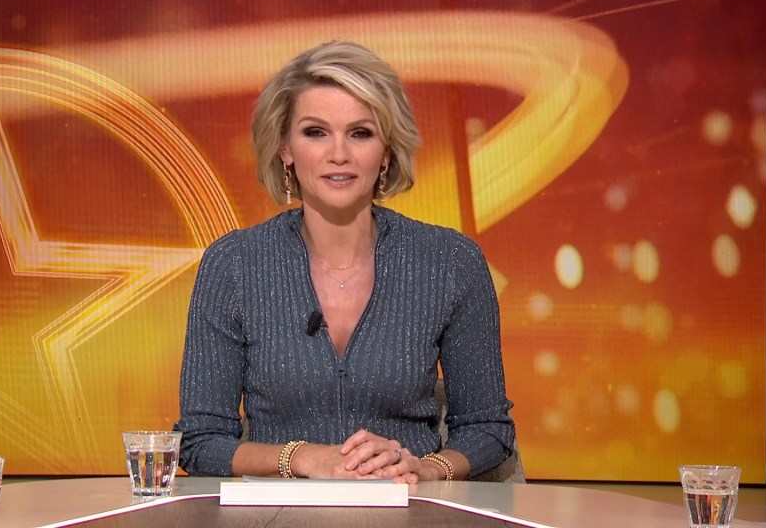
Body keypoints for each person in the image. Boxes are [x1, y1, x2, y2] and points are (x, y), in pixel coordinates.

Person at [173, 40, 515, 484]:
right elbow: (199, 441)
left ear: (387, 150)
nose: (339, 154)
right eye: (316, 132)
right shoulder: (234, 264)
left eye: (361, 133)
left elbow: (487, 428)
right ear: (285, 148)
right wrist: (303, 458)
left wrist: (427, 468)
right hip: (277, 513)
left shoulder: (450, 262)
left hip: (409, 509)